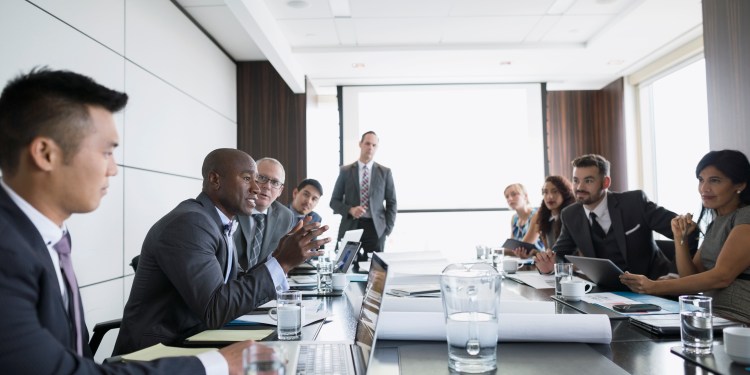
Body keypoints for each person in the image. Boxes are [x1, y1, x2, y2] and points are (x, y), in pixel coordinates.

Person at [0, 68, 256, 374]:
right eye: (106, 152)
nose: (113, 169)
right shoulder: (7, 252)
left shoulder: (48, 237)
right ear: (45, 153)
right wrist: (217, 364)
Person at [114, 150, 329, 355]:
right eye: (247, 179)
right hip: (158, 352)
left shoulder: (216, 221)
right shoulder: (190, 223)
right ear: (215, 180)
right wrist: (281, 263)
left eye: (258, 180)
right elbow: (215, 308)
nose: (257, 188)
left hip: (195, 338)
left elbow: (231, 286)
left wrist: (278, 256)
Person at [620, 150, 750, 323]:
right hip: (710, 316)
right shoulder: (716, 221)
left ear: (739, 185)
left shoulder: (746, 217)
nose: (704, 188)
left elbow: (722, 276)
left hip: (738, 318)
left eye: (715, 180)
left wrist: (653, 287)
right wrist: (680, 238)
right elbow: (690, 278)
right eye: (701, 180)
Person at [535, 154, 695, 280]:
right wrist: (550, 265)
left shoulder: (635, 202)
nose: (579, 187)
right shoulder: (570, 214)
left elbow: (689, 230)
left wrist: (675, 275)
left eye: (588, 181)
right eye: (576, 181)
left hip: (655, 287)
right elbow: (560, 255)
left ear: (605, 182)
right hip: (608, 293)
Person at [330, 131, 397, 262]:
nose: (370, 147)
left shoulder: (385, 172)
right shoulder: (345, 171)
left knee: (374, 272)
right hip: (351, 226)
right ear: (360, 144)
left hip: (376, 229)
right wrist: (350, 210)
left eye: (374, 145)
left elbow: (392, 203)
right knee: (345, 266)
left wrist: (387, 230)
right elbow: (334, 201)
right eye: (367, 143)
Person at [234, 157, 296, 271]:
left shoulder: (286, 216)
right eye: (261, 178)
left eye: (275, 182)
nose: (267, 186)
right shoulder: (233, 207)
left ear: (280, 191)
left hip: (263, 284)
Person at [512, 176, 575, 259]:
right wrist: (532, 253)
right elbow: (550, 252)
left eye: (555, 191)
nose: (550, 196)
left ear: (565, 193)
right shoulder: (544, 219)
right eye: (545, 192)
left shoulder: (573, 217)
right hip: (552, 269)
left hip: (570, 269)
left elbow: (566, 255)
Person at [504, 183, 545, 251]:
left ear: (525, 196)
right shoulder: (514, 218)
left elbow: (524, 247)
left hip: (536, 259)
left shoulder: (536, 215)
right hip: (519, 259)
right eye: (507, 197)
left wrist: (502, 251)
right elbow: (511, 245)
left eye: (514, 194)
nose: (510, 199)